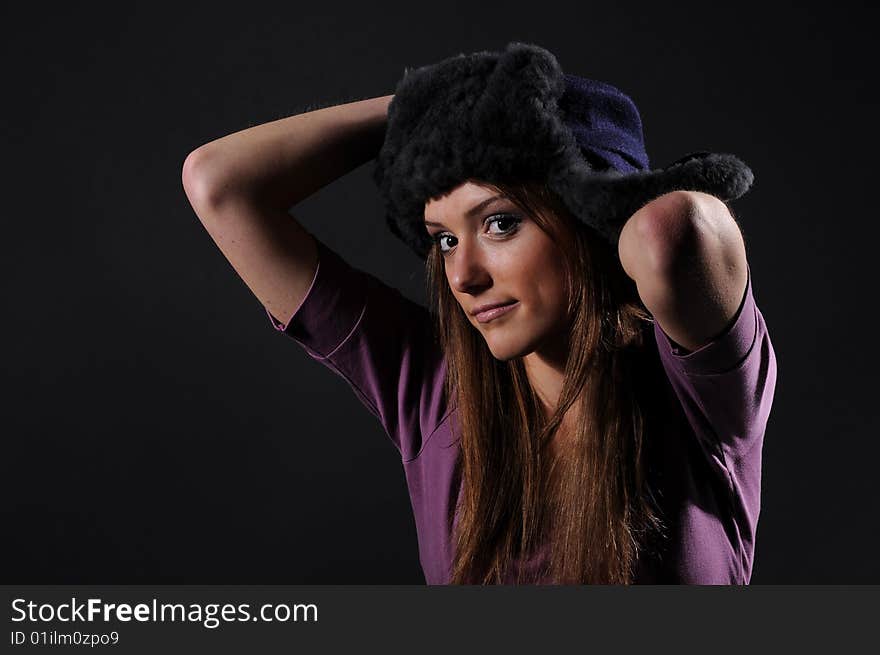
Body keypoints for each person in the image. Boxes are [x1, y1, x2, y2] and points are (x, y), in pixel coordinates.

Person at [182, 42, 777, 585]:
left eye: (499, 223)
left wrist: (602, 197)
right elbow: (220, 185)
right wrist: (428, 108)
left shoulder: (702, 395)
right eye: (443, 239)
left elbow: (673, 229)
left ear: (592, 220)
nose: (463, 276)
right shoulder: (431, 393)